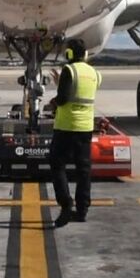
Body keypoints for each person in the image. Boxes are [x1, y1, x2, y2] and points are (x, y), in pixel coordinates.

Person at [49, 38, 102, 228]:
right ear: (85, 54)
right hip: (85, 127)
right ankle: (82, 211)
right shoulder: (95, 73)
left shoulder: (69, 70)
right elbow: (82, 92)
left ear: (69, 53)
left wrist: (53, 101)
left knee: (57, 164)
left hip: (66, 126)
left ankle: (65, 203)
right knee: (83, 170)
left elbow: (63, 99)